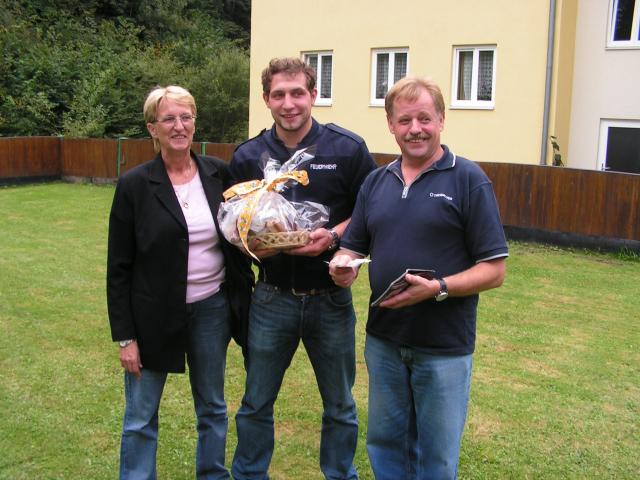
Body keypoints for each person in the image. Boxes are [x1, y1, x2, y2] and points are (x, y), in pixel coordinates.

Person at [329, 76, 508, 479]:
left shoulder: (468, 179)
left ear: (441, 120)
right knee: (386, 446)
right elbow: (353, 246)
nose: (415, 129)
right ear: (390, 125)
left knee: (436, 457)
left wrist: (439, 288)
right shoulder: (376, 182)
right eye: (405, 120)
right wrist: (342, 265)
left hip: (443, 346)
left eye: (424, 118)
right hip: (384, 341)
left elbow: (494, 270)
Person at [229, 58, 377, 480]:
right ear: (266, 99)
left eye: (297, 93)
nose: (289, 103)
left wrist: (332, 237)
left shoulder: (347, 149)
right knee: (256, 402)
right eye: (279, 94)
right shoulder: (248, 155)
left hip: (330, 299)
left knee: (340, 405)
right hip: (271, 298)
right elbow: (234, 224)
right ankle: (249, 475)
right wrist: (257, 242)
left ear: (314, 95)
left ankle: (340, 473)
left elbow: (371, 211)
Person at [107, 85, 253, 480]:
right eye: (168, 118)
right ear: (152, 128)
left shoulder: (217, 173)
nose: (179, 126)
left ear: (194, 123)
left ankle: (212, 474)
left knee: (213, 406)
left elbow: (239, 232)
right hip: (152, 316)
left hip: (211, 310)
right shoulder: (135, 185)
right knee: (141, 416)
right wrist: (126, 338)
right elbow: (118, 268)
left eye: (186, 117)